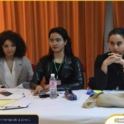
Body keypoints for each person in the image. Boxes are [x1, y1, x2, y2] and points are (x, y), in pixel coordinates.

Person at [30, 27, 84, 95]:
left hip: (68, 95)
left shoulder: (74, 61)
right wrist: (36, 86)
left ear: (65, 42)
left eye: (58, 40)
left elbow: (80, 83)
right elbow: (33, 81)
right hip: (50, 95)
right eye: (51, 40)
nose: (54, 43)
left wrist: (56, 87)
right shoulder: (44, 61)